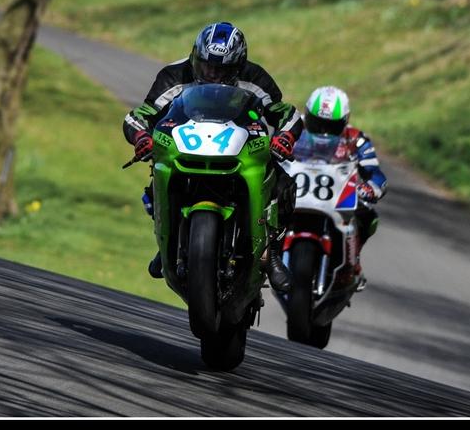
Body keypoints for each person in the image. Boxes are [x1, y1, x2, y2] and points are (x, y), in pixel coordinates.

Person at [122, 21, 302, 293]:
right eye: (206, 65)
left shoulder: (256, 78)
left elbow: (285, 113)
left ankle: (271, 252)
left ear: (238, 66)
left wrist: (285, 137)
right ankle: (167, 242)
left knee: (283, 184)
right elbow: (141, 115)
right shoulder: (173, 76)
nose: (212, 74)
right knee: (156, 179)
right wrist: (141, 138)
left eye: (222, 69)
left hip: (238, 146)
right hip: (188, 145)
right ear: (196, 56)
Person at [301, 86, 388, 286]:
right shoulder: (297, 129)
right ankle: (265, 252)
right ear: (307, 116)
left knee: (368, 215)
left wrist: (371, 188)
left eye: (330, 126)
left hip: (338, 195)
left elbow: (375, 172)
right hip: (299, 190)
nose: (323, 132)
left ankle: (353, 258)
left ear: (345, 121)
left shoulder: (356, 139)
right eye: (317, 123)